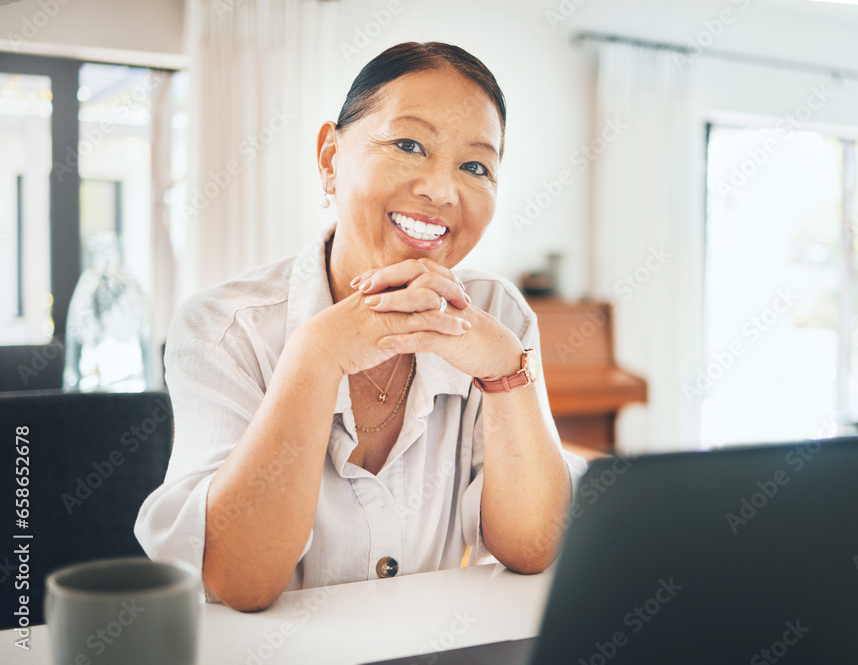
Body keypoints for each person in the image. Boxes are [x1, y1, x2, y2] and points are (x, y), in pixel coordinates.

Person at [135, 42, 586, 611]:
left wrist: (505, 373)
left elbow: (532, 546)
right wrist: (315, 356)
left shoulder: (499, 313)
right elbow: (239, 579)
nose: (442, 191)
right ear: (330, 158)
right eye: (408, 145)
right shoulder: (222, 328)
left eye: (476, 166)